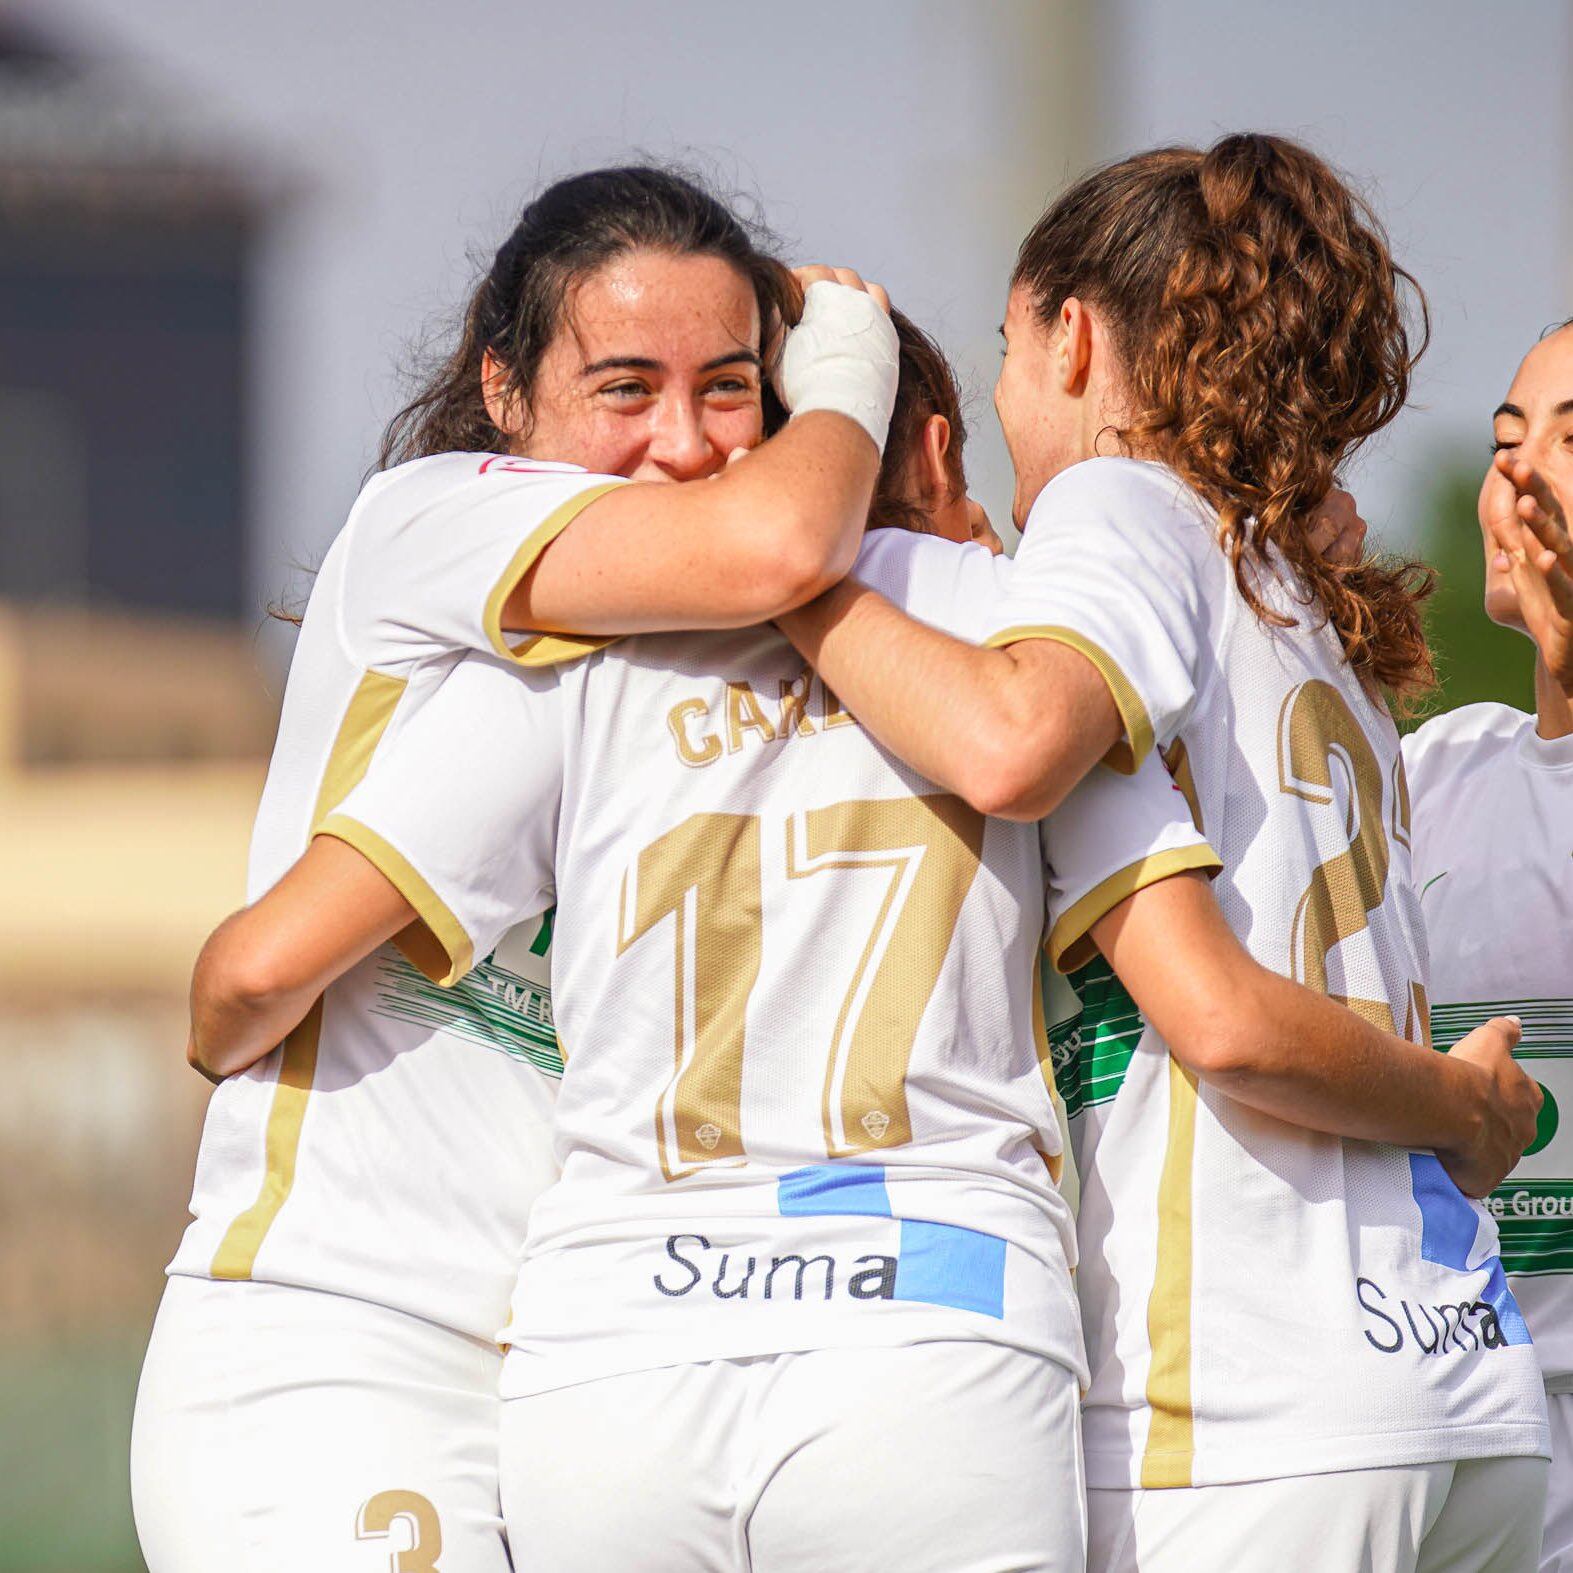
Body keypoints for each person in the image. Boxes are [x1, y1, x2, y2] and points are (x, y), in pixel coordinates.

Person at [207, 300, 1535, 1569]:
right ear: (938, 444)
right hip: (937, 1338)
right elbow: (1205, 987)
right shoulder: (1025, 648)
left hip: (614, 1353)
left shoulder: (586, 659)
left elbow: (254, 968)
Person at [779, 133, 1551, 1570]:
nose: (1007, 410)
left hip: (1261, 1420)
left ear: (1070, 336)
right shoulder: (1291, 583)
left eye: (1009, 349)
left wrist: (788, 573)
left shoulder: (1118, 503)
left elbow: (1030, 761)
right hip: (1456, 1386)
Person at [131, 163, 902, 1573]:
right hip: (343, 1340)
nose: (680, 440)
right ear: (503, 388)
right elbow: (777, 539)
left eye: (730, 387)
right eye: (625, 388)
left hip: (579, 1375)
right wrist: (854, 365)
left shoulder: (701, 671)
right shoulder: (437, 515)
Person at [1405, 319, 1573, 1573]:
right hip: (1456, 1436)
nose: (1516, 475)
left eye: (1572, 440)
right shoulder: (1427, 771)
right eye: (1509, 436)